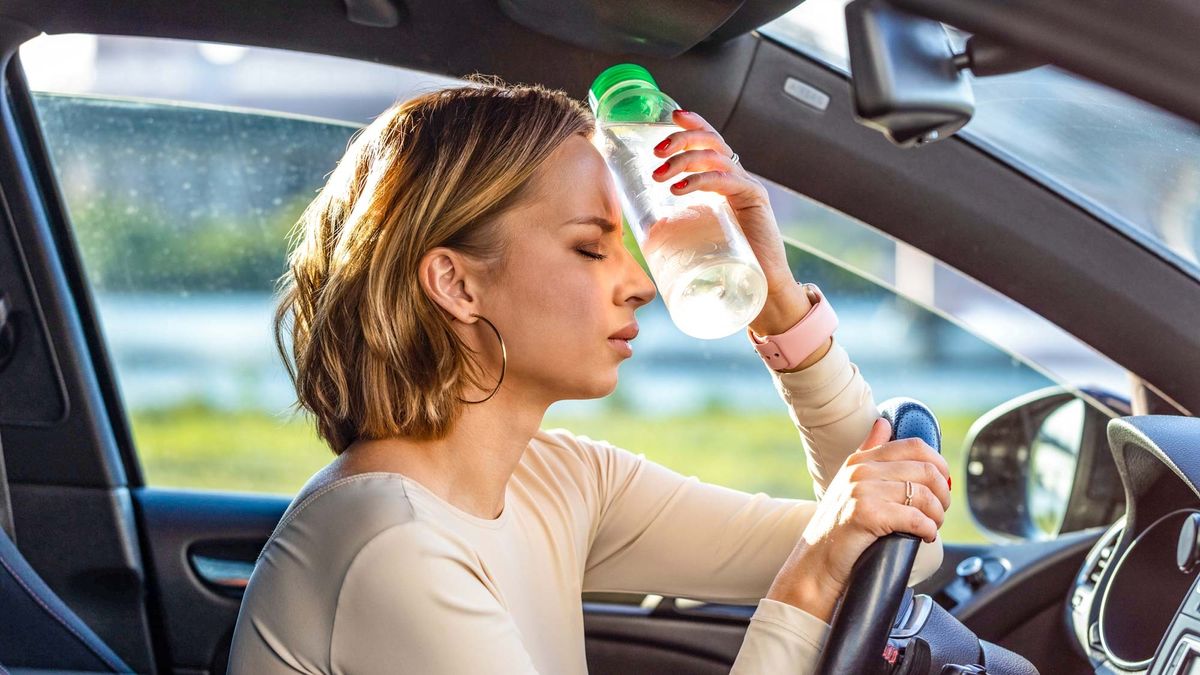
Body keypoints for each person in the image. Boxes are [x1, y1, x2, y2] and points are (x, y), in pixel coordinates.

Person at [226, 75, 950, 674]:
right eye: (590, 248)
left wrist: (780, 304)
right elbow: (835, 562)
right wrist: (813, 576)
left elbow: (903, 554)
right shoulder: (393, 545)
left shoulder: (559, 480)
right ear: (456, 283)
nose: (640, 283)